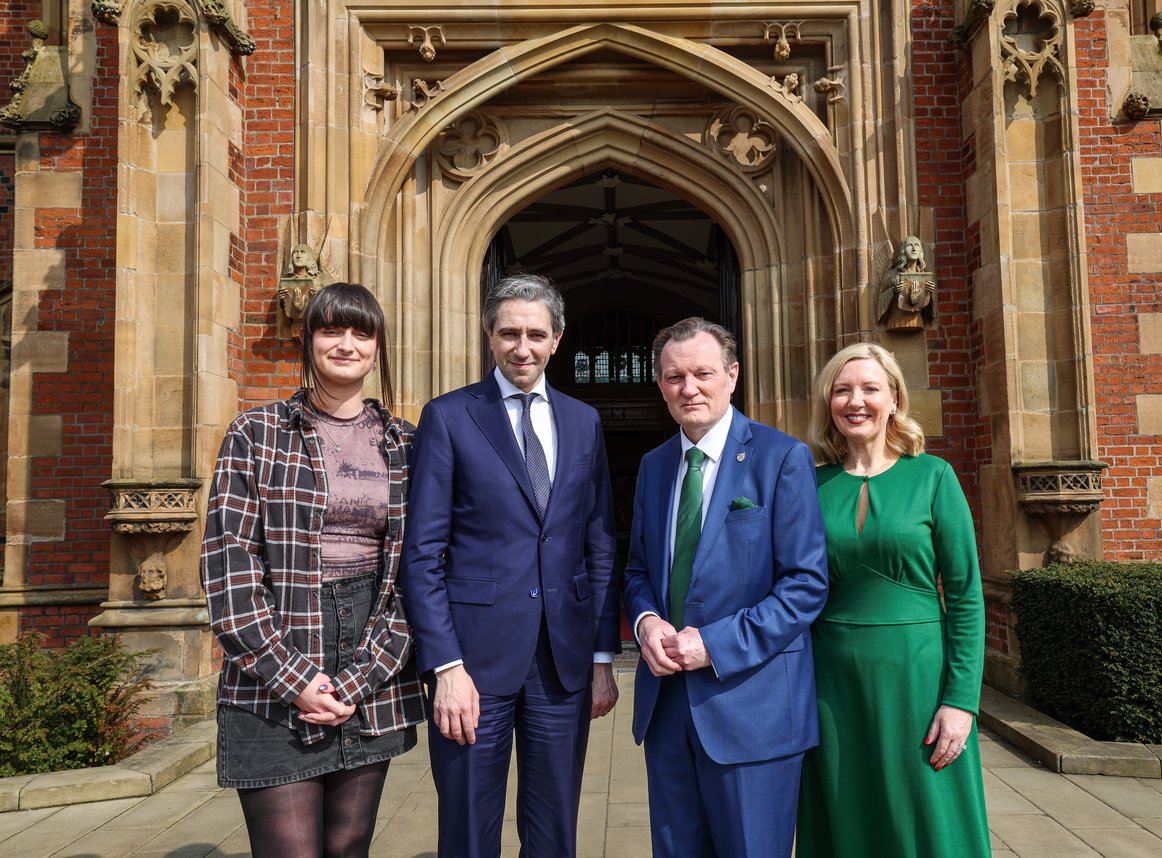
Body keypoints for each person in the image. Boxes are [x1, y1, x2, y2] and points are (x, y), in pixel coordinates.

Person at [399, 273, 620, 858]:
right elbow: (421, 552)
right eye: (509, 334)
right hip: (472, 665)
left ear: (557, 340)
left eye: (535, 335)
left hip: (561, 663)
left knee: (554, 834)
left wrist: (602, 658)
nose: (522, 348)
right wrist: (444, 666)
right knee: (470, 831)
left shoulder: (583, 421)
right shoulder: (449, 417)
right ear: (488, 337)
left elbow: (597, 546)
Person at [201, 282, 424, 857]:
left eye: (361, 332)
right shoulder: (257, 433)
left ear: (378, 347)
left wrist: (360, 677)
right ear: (308, 339)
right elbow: (229, 566)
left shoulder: (409, 445)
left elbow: (418, 571)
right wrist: (292, 677)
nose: (346, 344)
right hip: (277, 655)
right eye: (331, 329)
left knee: (349, 847)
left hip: (372, 658)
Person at [623, 317, 828, 858]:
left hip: (752, 709)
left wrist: (712, 644)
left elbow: (806, 585)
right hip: (667, 710)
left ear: (732, 376)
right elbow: (638, 570)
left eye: (702, 374)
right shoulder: (653, 465)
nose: (688, 388)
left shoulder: (781, 458)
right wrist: (645, 623)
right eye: (673, 377)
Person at [795, 342, 991, 856]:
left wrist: (961, 700)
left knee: (926, 819)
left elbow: (967, 595)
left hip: (919, 679)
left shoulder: (934, 477)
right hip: (830, 682)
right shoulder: (807, 486)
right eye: (842, 390)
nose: (855, 401)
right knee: (847, 816)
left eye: (869, 389)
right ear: (828, 403)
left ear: (895, 399)